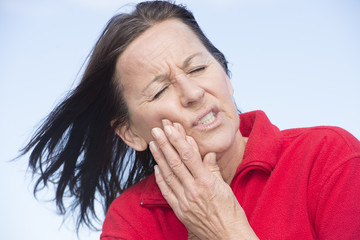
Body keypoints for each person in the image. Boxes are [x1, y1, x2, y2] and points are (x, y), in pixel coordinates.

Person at [21, 1, 360, 239]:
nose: (193, 92)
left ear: (225, 73)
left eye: (198, 68)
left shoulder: (329, 156)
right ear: (130, 133)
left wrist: (224, 229)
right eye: (159, 90)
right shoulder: (132, 220)